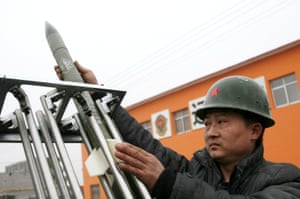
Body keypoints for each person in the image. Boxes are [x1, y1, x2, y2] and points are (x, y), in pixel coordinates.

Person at [55, 62, 300, 198]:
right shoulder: (194, 171)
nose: (211, 132)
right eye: (207, 123)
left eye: (222, 122)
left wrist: (169, 185)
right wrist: (98, 93)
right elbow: (146, 146)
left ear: (255, 131)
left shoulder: (287, 180)